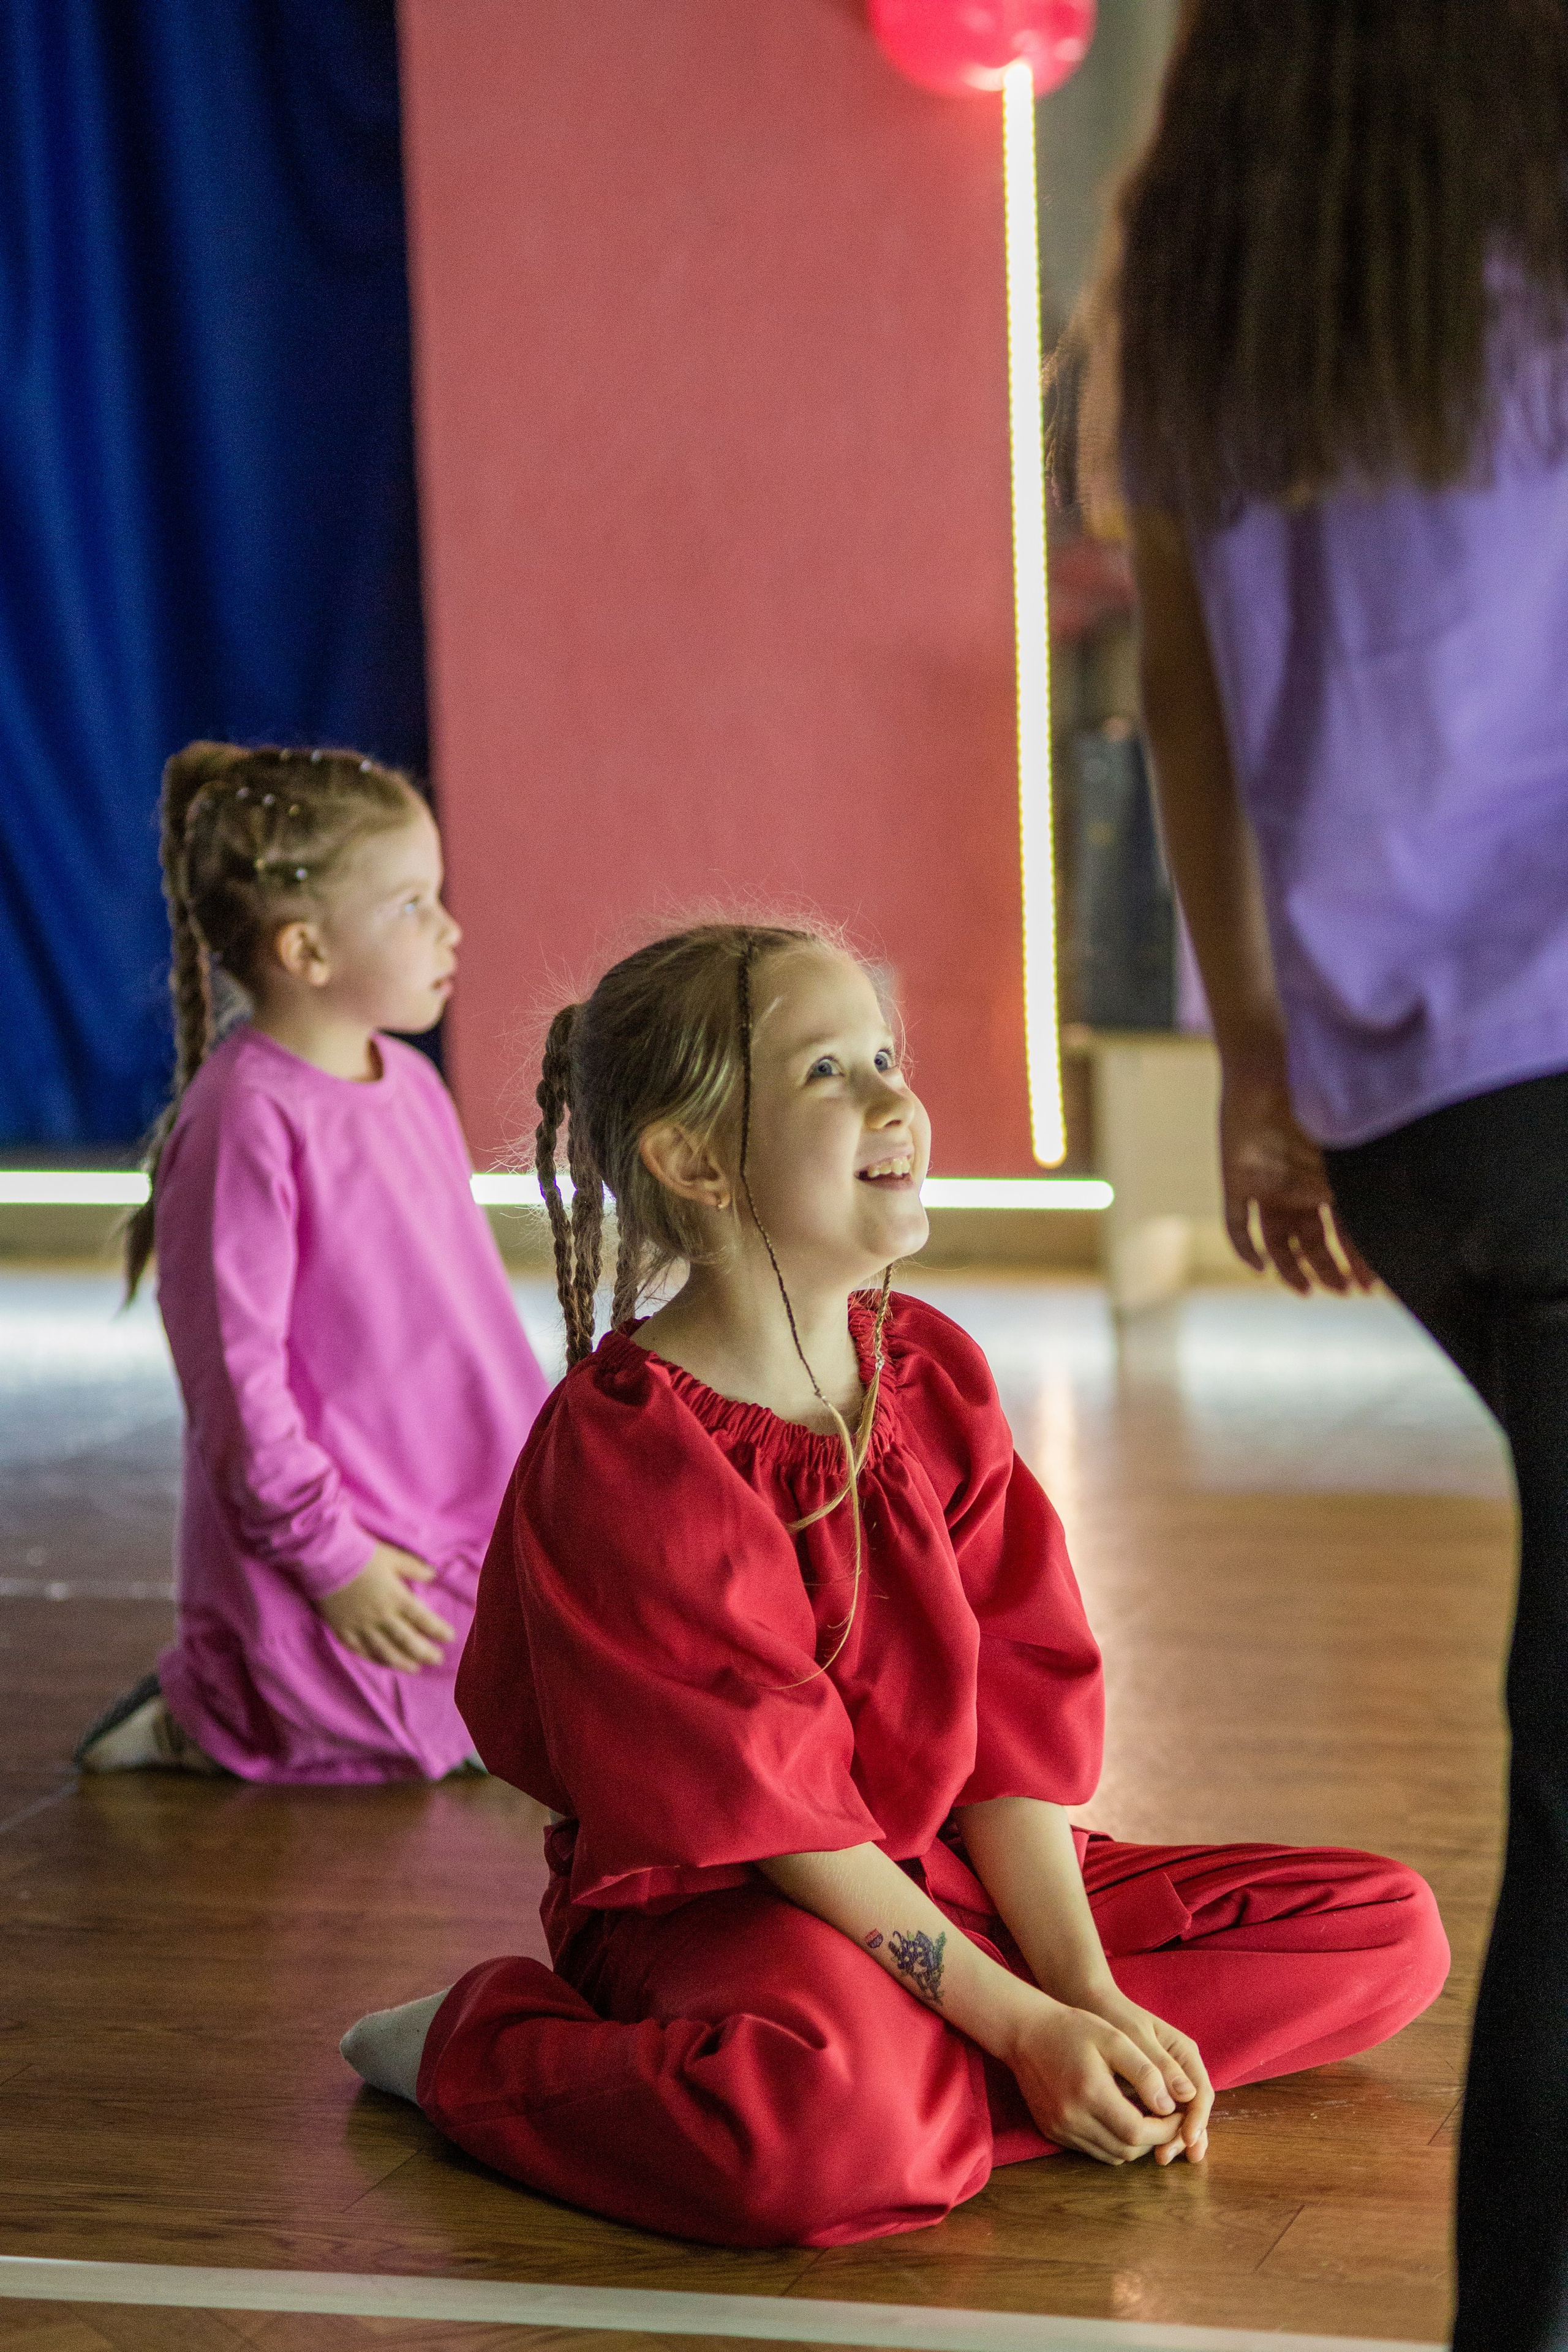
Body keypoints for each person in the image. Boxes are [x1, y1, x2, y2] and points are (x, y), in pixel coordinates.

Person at [341, 921, 1446, 2247]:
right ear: (694, 1159)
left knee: (1388, 1933)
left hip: (956, 1876)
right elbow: (776, 1823)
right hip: (736, 1902)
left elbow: (1007, 1737)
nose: (891, 1099)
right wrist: (1019, 2020)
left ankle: (937, 2091)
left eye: (882, 1055)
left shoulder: (928, 1367)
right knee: (819, 2141)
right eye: (826, 1072)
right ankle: (475, 2046)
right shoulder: (631, 1444)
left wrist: (1078, 1995)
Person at [1091, 4, 1568, 2342]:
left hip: (1416, 1143)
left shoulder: (1205, 318)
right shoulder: (1537, 263)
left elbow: (1182, 710)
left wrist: (1259, 1068)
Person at [74, 740, 548, 1784]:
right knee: (407, 1717)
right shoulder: (245, 1118)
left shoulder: (412, 1085)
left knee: (548, 1683)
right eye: (414, 904)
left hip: (451, 1510)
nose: (450, 928)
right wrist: (336, 1563)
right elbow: (234, 1385)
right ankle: (206, 1715)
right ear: (307, 951)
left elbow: (453, 1318)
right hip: (342, 1531)